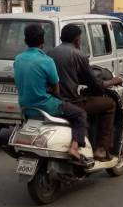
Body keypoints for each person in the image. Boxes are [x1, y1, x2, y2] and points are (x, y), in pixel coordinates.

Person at [13, 24, 87, 162]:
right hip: (45, 106)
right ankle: (74, 147)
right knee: (80, 114)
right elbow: (56, 88)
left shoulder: (18, 59)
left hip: (25, 107)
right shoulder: (46, 61)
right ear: (43, 41)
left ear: (25, 40)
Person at [48, 24, 122, 161]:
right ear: (77, 40)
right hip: (72, 102)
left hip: (53, 101)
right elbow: (95, 85)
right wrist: (114, 81)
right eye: (80, 38)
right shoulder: (78, 55)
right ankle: (101, 149)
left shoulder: (49, 53)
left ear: (61, 38)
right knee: (110, 104)